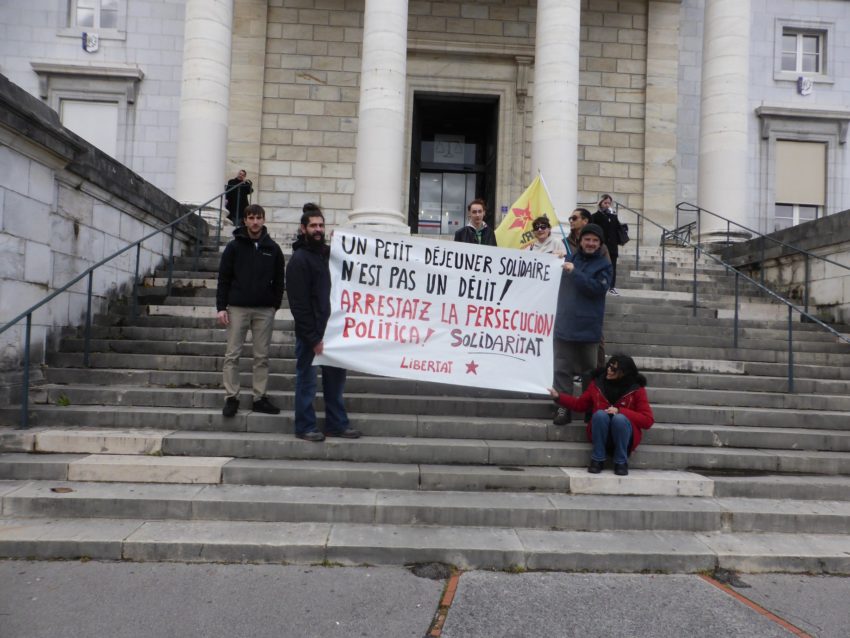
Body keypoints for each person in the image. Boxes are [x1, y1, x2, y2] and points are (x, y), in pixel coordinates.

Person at [286, 203, 361, 442]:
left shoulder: (328, 255)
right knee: (307, 383)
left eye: (321, 225)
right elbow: (299, 306)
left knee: (335, 383)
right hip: (313, 335)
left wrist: (343, 244)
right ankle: (305, 426)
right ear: (303, 228)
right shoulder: (299, 260)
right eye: (313, 226)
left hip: (334, 331)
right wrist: (313, 338)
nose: (318, 229)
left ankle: (336, 424)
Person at [216, 204, 285, 418]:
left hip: (264, 310)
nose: (255, 222)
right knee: (232, 354)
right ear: (245, 220)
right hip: (237, 308)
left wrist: (274, 305)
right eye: (251, 218)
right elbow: (224, 278)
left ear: (264, 220)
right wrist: (221, 307)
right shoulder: (234, 247)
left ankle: (259, 397)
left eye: (258, 218)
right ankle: (231, 397)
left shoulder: (273, 249)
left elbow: (279, 280)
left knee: (261, 356)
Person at [548, 354, 654, 476]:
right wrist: (558, 396)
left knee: (619, 419)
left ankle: (621, 462)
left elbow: (648, 420)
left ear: (624, 373)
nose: (609, 369)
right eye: (609, 365)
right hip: (600, 430)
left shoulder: (637, 389)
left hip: (624, 434)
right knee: (599, 415)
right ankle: (597, 460)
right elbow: (579, 404)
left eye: (614, 369)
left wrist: (620, 411)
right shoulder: (597, 383)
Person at [552, 223, 612, 426]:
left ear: (600, 244)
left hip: (589, 329)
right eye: (587, 239)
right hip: (564, 325)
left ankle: (590, 408)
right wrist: (552, 259)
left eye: (595, 240)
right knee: (561, 370)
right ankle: (563, 407)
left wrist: (574, 272)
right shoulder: (569, 259)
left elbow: (596, 289)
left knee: (590, 373)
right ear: (580, 241)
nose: (591, 243)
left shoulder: (604, 265)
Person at [590, 194, 623, 295]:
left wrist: (613, 216)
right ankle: (598, 284)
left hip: (612, 247)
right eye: (605, 203)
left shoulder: (613, 216)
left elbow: (617, 228)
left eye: (609, 203)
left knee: (612, 266)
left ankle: (611, 286)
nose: (607, 205)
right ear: (600, 203)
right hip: (599, 246)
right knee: (598, 265)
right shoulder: (595, 216)